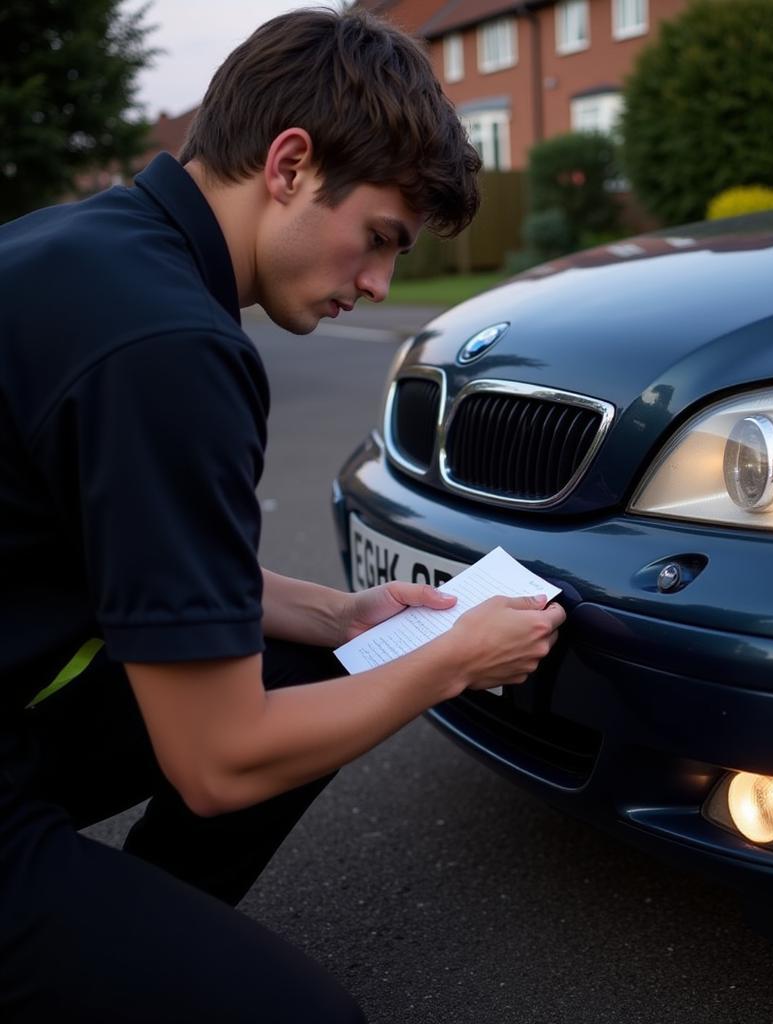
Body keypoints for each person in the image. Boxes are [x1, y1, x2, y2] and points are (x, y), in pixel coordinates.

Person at [0, 8, 565, 1022]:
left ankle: (141, 945)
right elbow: (217, 764)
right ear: (290, 164)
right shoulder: (168, 347)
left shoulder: (88, 245)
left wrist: (342, 617)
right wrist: (453, 660)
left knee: (328, 660)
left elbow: (134, 556)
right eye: (379, 239)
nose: (381, 282)